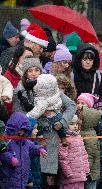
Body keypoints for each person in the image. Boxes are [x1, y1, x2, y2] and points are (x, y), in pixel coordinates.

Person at [12, 57, 76, 188]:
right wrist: (31, 123)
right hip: (29, 137)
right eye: (30, 70)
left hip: (50, 139)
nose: (34, 73)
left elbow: (71, 105)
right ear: (25, 73)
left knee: (48, 180)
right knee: (30, 178)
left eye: (37, 70)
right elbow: (18, 114)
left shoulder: (49, 87)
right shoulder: (19, 91)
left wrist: (62, 122)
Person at [0, 112, 47, 189]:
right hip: (8, 179)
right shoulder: (6, 140)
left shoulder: (25, 141)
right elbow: (2, 153)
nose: (22, 132)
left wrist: (40, 149)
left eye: (24, 130)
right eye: (21, 129)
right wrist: (10, 158)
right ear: (14, 127)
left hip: (22, 180)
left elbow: (32, 147)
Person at [26, 74, 68, 147]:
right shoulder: (56, 93)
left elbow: (37, 111)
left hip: (45, 117)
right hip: (56, 114)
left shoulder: (43, 100)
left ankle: (41, 140)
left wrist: (28, 116)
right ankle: (63, 138)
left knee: (38, 126)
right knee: (61, 127)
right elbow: (59, 104)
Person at [58, 115, 90, 189]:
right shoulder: (64, 138)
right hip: (70, 177)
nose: (75, 126)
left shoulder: (79, 137)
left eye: (76, 124)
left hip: (80, 175)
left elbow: (84, 155)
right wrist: (67, 172)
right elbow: (62, 157)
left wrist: (86, 169)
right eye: (72, 124)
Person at [77, 105, 102, 189]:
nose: (78, 121)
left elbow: (91, 155)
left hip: (89, 173)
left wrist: (85, 170)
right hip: (86, 171)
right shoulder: (85, 132)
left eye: (81, 119)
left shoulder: (89, 135)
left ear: (88, 121)